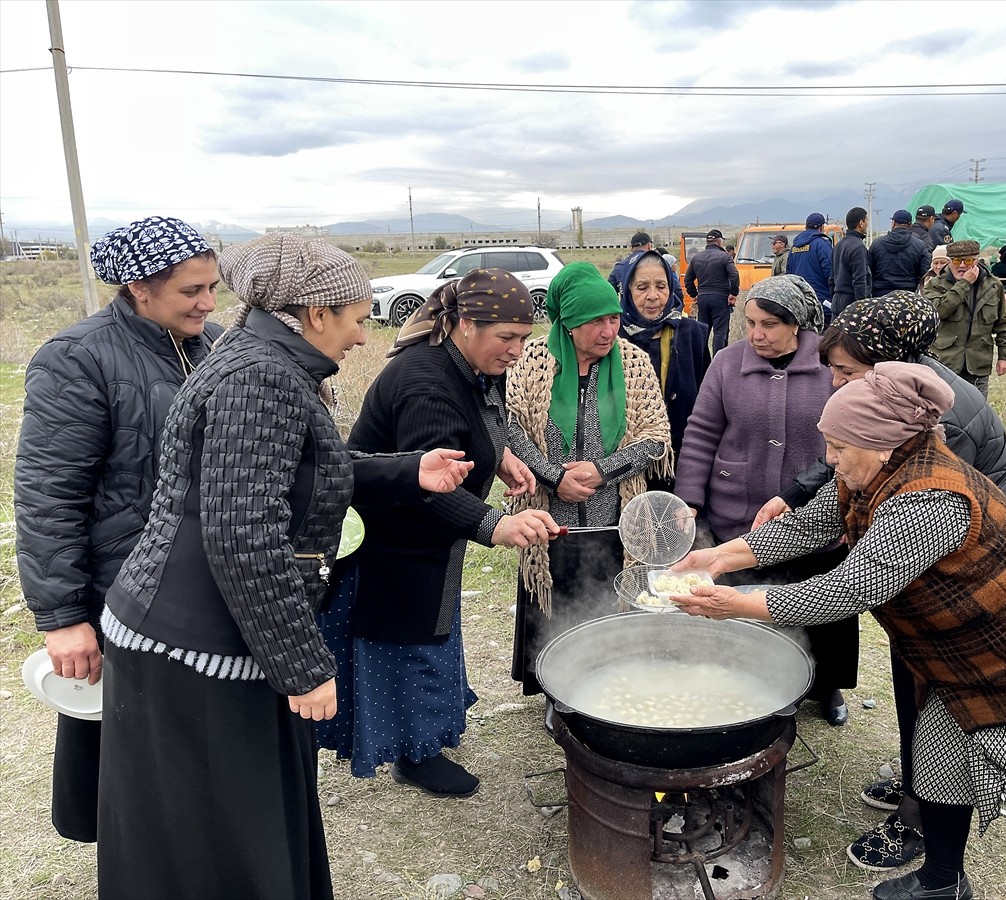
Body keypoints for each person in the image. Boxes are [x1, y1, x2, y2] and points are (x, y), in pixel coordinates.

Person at [95, 234, 474, 897]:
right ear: (316, 314)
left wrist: (411, 470)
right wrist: (301, 665)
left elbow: (294, 471)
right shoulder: (261, 377)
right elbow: (245, 532)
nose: (364, 337)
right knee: (222, 834)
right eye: (358, 318)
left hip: (205, 627)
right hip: (197, 642)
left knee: (225, 826)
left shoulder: (260, 358)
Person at [672, 361, 1006, 900]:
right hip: (960, 656)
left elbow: (849, 590)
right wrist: (717, 558)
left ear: (881, 443)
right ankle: (941, 884)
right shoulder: (874, 471)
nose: (829, 459)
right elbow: (807, 525)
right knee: (938, 763)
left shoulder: (930, 498)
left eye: (838, 447)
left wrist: (735, 604)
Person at [754, 292, 1006, 872]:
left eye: (847, 372)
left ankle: (919, 817)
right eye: (832, 370)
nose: (835, 383)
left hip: (972, 580)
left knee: (934, 694)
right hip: (930, 556)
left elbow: (858, 579)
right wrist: (787, 502)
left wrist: (737, 600)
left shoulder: (936, 423)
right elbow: (844, 474)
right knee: (915, 680)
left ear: (891, 368)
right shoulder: (893, 404)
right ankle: (917, 778)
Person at [15, 216, 220, 846]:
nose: (208, 303)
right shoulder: (78, 358)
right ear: (139, 287)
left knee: (183, 737)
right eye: (191, 290)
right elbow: (49, 496)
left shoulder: (210, 344)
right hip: (121, 588)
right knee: (116, 738)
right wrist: (62, 618)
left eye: (213, 287)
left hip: (194, 582)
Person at [319, 268, 559, 798]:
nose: (517, 351)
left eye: (524, 337)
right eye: (508, 338)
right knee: (407, 640)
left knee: (433, 630)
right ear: (466, 325)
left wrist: (499, 459)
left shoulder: (469, 361)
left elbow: (473, 429)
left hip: (426, 536)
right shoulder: (426, 383)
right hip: (395, 535)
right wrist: (496, 523)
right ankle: (413, 753)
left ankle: (425, 736)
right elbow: (429, 488)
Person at [674, 275, 855, 725]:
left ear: (798, 324)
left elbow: (849, 440)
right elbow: (700, 433)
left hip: (814, 511)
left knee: (819, 601)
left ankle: (825, 685)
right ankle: (739, 681)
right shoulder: (726, 362)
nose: (757, 335)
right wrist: (689, 498)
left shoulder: (831, 365)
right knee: (738, 601)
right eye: (750, 323)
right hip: (736, 506)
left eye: (770, 324)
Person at [508, 262, 672, 697]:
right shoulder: (531, 362)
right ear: (567, 322)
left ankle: (607, 681)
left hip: (614, 515)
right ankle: (557, 689)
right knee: (555, 600)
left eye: (613, 318)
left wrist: (602, 470)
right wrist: (552, 477)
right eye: (594, 321)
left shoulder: (634, 362)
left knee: (607, 596)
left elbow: (656, 439)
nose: (608, 330)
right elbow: (508, 430)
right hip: (548, 517)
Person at [617, 249, 710, 473]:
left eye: (661, 286)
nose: (652, 296)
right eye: (642, 287)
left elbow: (708, 401)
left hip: (685, 460)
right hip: (626, 464)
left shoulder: (693, 334)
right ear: (627, 290)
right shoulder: (615, 337)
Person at [923, 240, 1006, 399]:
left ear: (976, 261)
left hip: (978, 362)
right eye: (957, 261)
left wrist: (1005, 356)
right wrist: (964, 284)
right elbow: (937, 312)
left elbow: (1003, 323)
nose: (962, 266)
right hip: (945, 362)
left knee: (978, 413)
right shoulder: (935, 284)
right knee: (944, 412)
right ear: (950, 262)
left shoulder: (992, 285)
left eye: (968, 261)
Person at [685, 228, 741, 354]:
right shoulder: (725, 257)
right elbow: (734, 275)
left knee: (703, 332)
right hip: (721, 298)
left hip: (703, 299)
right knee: (720, 332)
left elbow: (688, 280)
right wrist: (733, 293)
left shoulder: (696, 258)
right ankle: (718, 363)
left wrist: (695, 295)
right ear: (719, 242)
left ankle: (702, 364)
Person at [786, 212, 836, 325]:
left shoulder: (794, 248)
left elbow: (788, 274)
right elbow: (830, 272)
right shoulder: (822, 244)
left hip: (800, 301)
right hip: (821, 301)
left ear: (806, 226)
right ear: (821, 227)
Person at [869, 210, 931, 294]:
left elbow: (869, 270)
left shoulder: (877, 244)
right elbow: (924, 270)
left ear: (893, 223)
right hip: (908, 293)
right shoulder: (919, 245)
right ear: (910, 225)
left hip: (881, 292)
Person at [830, 206, 871, 317]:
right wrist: (862, 308)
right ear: (861, 223)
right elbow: (859, 280)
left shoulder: (838, 245)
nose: (867, 224)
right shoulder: (858, 247)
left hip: (837, 300)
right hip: (851, 301)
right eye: (866, 220)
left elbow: (831, 278)